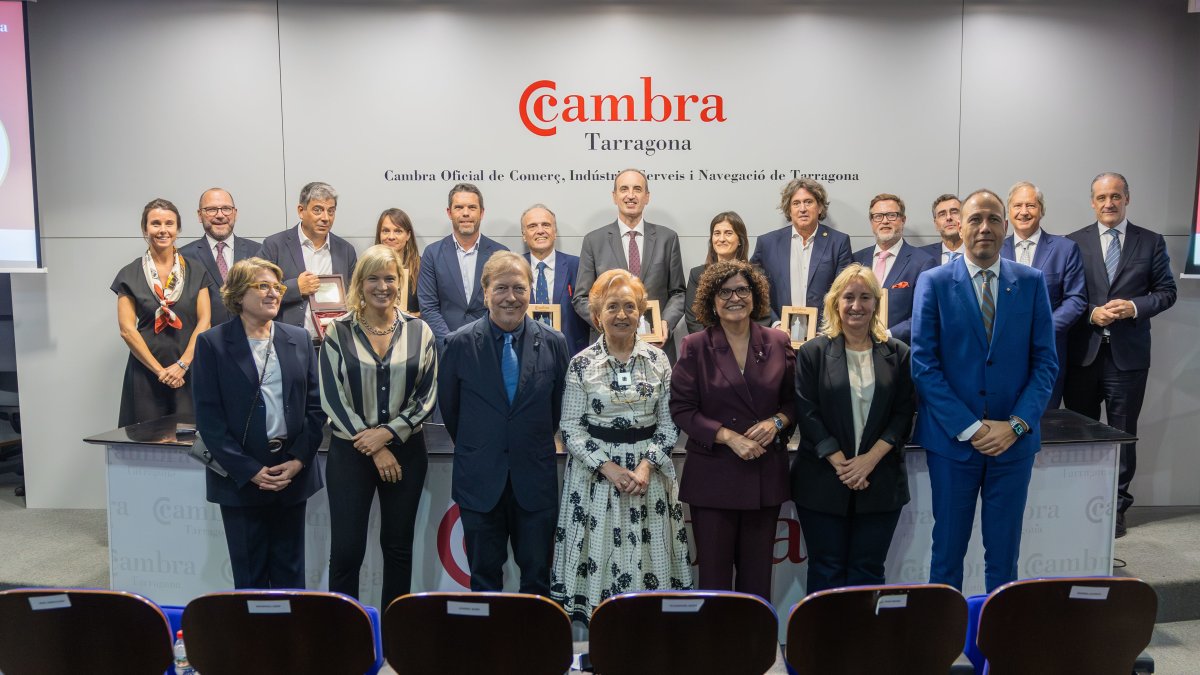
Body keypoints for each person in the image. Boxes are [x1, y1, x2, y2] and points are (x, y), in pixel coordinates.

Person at [911, 189, 1058, 592]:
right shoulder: (934, 282)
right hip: (954, 445)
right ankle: (941, 649)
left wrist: (1016, 425)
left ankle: (996, 649)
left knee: (1004, 557)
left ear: (1006, 227)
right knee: (946, 554)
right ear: (959, 225)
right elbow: (924, 366)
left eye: (993, 219)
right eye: (975, 219)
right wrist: (971, 428)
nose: (984, 228)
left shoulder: (1030, 282)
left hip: (1013, 446)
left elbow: (1046, 362)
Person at [552, 269, 693, 624]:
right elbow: (570, 427)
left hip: (650, 479)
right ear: (597, 315)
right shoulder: (581, 363)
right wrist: (610, 468)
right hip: (596, 481)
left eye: (629, 306)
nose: (621, 314)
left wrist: (645, 466)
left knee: (650, 568)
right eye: (612, 306)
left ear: (641, 312)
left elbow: (669, 421)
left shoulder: (659, 360)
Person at [438, 251, 570, 594]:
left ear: (531, 292)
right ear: (485, 292)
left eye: (519, 288)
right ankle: (489, 649)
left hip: (534, 481)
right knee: (483, 579)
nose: (510, 297)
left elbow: (558, 410)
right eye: (501, 288)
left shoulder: (554, 343)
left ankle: (535, 649)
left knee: (537, 578)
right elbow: (451, 411)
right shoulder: (458, 344)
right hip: (480, 481)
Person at [192, 257, 324, 589]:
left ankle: (290, 640)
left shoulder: (298, 338)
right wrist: (250, 470)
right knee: (250, 577)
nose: (273, 293)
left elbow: (315, 407)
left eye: (277, 287)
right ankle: (252, 642)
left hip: (290, 472)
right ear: (238, 295)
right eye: (262, 286)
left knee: (290, 572)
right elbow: (209, 420)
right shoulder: (213, 344)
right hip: (240, 477)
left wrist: (297, 461)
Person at [320, 245, 438, 607]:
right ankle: (344, 638)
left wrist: (386, 436)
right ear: (360, 282)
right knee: (346, 552)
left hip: (406, 454)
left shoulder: (421, 332)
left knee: (398, 548)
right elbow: (332, 397)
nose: (382, 286)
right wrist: (373, 445)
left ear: (400, 283)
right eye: (373, 278)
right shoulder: (337, 332)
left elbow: (427, 396)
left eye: (389, 278)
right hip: (350, 454)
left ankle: (394, 637)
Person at [670, 261, 793, 599]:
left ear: (755, 297)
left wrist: (776, 422)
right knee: (714, 581)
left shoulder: (778, 341)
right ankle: (715, 652)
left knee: (757, 581)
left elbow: (795, 403)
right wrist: (727, 436)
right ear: (712, 300)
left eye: (742, 290)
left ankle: (755, 651)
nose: (734, 298)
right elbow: (681, 409)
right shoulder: (695, 345)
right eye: (725, 292)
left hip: (763, 475)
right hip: (713, 477)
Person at [1064, 172, 1177, 538]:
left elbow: (1166, 292)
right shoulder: (1072, 243)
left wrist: (1133, 306)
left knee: (1122, 435)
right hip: (1083, 355)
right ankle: (1079, 502)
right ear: (1092, 202)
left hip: (1127, 358)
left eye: (1115, 196)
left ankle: (1115, 509)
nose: (1108, 203)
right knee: (1079, 433)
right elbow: (1064, 295)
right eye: (1101, 197)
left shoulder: (1151, 242)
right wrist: (1091, 312)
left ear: (1127, 198)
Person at [791, 264, 915, 593]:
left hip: (880, 480)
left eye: (864, 297)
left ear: (876, 303)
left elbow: (904, 413)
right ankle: (824, 644)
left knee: (868, 571)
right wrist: (841, 463)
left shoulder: (898, 353)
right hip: (822, 480)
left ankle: (863, 645)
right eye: (848, 297)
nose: (856, 305)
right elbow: (806, 411)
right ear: (835, 303)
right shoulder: (812, 352)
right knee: (826, 569)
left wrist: (868, 461)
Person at [112, 198, 212, 426]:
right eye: (155, 223)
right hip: (146, 372)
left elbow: (204, 321)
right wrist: (160, 372)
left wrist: (182, 365)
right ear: (144, 229)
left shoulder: (196, 271)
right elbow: (127, 330)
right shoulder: (129, 274)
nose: (163, 230)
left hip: (189, 370)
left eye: (169, 223)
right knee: (146, 441)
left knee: (190, 439)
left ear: (178, 229)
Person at [572, 169, 686, 357]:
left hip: (656, 345)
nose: (631, 195)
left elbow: (678, 293)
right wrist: (606, 322)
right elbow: (581, 298)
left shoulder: (668, 238)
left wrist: (664, 322)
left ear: (647, 196)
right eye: (624, 189)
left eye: (637, 189)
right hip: (608, 348)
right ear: (614, 196)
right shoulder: (594, 240)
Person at [1000, 181, 1087, 409]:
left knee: (1044, 424)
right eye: (1017, 205)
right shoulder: (994, 249)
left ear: (1042, 210)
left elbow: (1076, 299)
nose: (1024, 211)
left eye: (1031, 205)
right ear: (1008, 211)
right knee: (1001, 423)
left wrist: (1041, 330)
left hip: (1046, 354)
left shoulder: (1065, 248)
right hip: (999, 355)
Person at [260, 181, 358, 340]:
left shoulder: (346, 250)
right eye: (318, 210)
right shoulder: (275, 245)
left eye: (331, 211)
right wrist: (294, 288)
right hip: (288, 342)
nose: (325, 218)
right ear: (301, 210)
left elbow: (356, 296)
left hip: (335, 344)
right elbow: (257, 292)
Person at [750, 178, 852, 326]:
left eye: (808, 202)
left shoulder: (838, 242)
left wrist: (828, 328)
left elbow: (844, 291)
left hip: (823, 335)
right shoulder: (767, 244)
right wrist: (775, 324)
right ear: (789, 210)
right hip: (778, 334)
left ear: (820, 207)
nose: (802, 209)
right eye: (796, 203)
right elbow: (755, 289)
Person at [419, 183, 509, 348]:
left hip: (490, 346)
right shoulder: (432, 254)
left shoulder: (500, 254)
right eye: (459, 207)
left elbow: (505, 304)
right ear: (449, 212)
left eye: (472, 207)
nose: (465, 213)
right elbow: (429, 307)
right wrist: (449, 341)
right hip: (446, 348)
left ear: (481, 213)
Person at [851, 194, 935, 344]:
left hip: (898, 351)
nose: (884, 221)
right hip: (855, 347)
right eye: (878, 216)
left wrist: (886, 335)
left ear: (903, 220)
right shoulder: (856, 260)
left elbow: (924, 315)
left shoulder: (923, 262)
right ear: (871, 222)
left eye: (891, 215)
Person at [178, 187, 263, 327]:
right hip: (205, 342)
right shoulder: (183, 257)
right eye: (211, 209)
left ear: (235, 213)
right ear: (200, 215)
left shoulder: (258, 251)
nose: (220, 215)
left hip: (251, 340)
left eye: (226, 208)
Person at [521, 203, 591, 355]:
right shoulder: (514, 268)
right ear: (524, 235)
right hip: (526, 354)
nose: (540, 231)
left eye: (546, 225)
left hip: (571, 353)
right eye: (532, 226)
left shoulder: (577, 266)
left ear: (555, 231)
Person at [683, 212, 769, 334]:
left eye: (728, 233)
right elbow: (693, 319)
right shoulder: (697, 274)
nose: (721, 239)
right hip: (709, 347)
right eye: (717, 233)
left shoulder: (755, 274)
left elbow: (763, 316)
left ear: (740, 240)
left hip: (748, 346)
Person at [374, 208, 422, 314]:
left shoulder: (422, 267)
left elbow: (432, 308)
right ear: (379, 234)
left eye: (398, 231)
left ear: (408, 235)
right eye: (386, 231)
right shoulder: (369, 267)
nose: (391, 237)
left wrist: (412, 317)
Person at [921, 194, 964, 265]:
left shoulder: (979, 252)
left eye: (954, 212)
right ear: (936, 224)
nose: (948, 217)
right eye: (942, 214)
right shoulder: (921, 255)